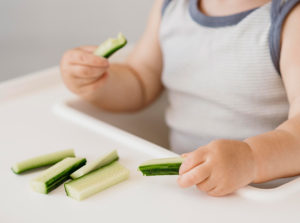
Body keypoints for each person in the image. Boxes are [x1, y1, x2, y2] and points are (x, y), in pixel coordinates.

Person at [60, 0, 300, 196]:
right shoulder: (172, 7)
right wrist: (98, 82)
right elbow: (140, 81)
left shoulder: (290, 19)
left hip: (261, 198)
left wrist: (251, 159)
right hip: (183, 189)